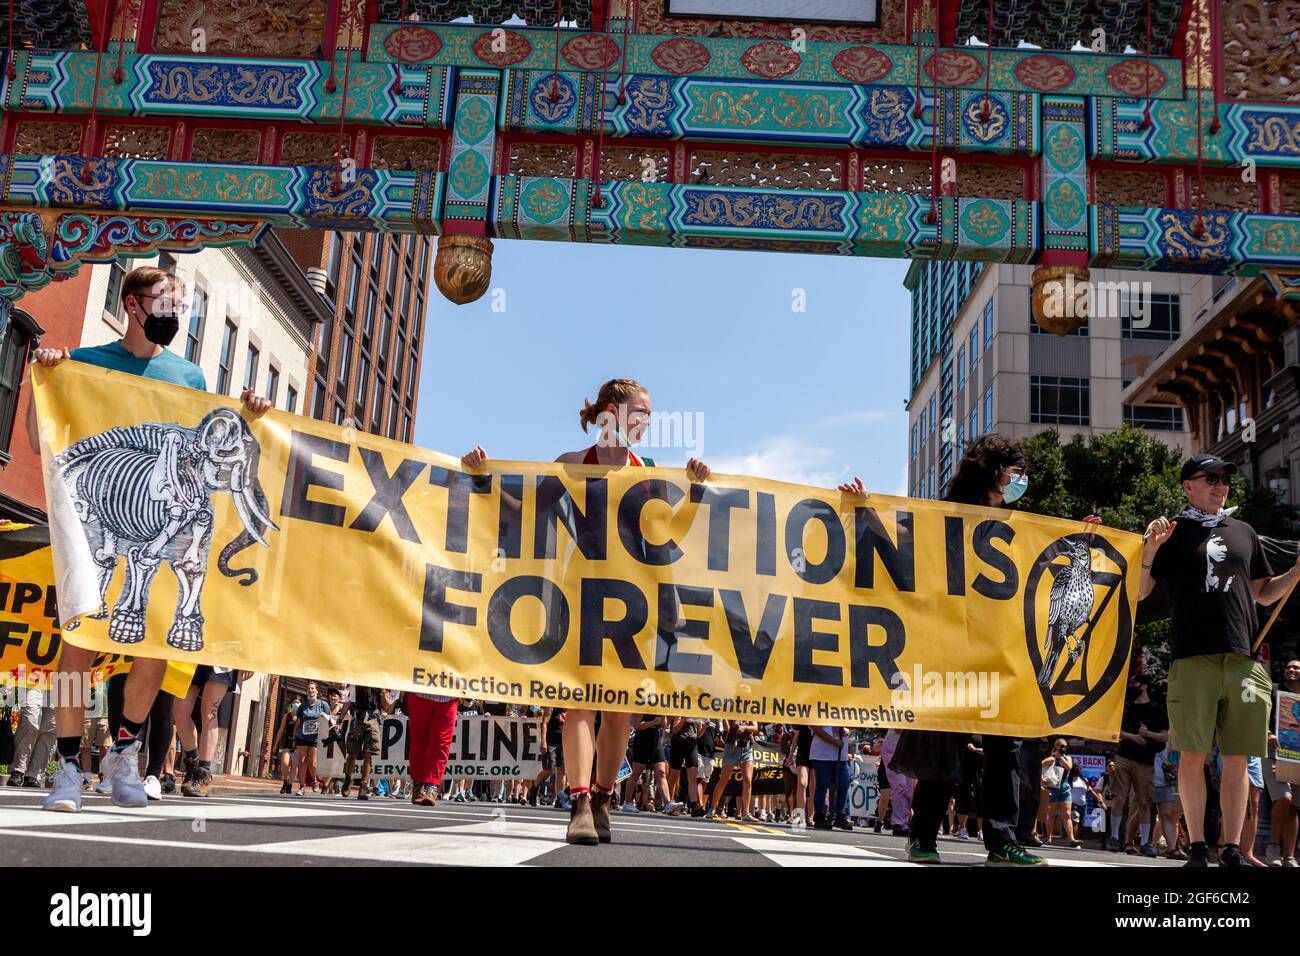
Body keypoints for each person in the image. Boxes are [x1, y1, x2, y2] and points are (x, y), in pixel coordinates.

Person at [35, 266, 271, 814]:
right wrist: (45, 378)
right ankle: (67, 765)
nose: (173, 311)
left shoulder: (188, 378)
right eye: (163, 301)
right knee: (78, 648)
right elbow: (45, 433)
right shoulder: (86, 363)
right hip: (101, 512)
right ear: (133, 305)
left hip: (164, 520)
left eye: (178, 301)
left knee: (155, 645)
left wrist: (251, 415)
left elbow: (214, 439)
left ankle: (124, 752)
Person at [463, 377, 710, 845]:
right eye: (639, 412)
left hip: (633, 600)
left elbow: (671, 535)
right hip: (580, 595)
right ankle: (578, 802)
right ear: (609, 414)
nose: (646, 422)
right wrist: (483, 480)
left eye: (649, 415)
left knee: (617, 711)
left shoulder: (650, 470)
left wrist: (695, 492)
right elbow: (528, 514)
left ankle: (601, 797)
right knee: (578, 702)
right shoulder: (573, 464)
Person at [1140, 453, 1295, 867]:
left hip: (1243, 658)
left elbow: (1263, 593)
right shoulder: (1171, 533)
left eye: (1224, 479)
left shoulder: (1245, 531)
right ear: (1188, 485)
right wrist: (1150, 551)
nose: (1220, 485)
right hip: (1192, 659)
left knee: (1238, 757)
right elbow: (1139, 594)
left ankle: (1230, 846)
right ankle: (1195, 847)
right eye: (1210, 478)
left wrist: (1296, 572)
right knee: (1191, 755)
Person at [1106, 674, 1167, 855]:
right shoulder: (1127, 707)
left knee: (1144, 802)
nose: (1132, 686)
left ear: (1145, 686)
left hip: (1145, 761)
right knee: (1119, 797)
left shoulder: (1157, 709)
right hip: (1124, 757)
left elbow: (1166, 736)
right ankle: (1115, 838)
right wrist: (1132, 736)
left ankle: (1145, 843)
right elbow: (1115, 731)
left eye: (1135, 684)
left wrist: (1148, 734)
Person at [173, 666, 247, 798]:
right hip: (194, 651)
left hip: (222, 655)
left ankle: (203, 773)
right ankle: (192, 764)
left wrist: (249, 660)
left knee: (209, 712)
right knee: (180, 711)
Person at [1264, 658, 1299, 866]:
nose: (1291, 670)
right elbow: (1260, 715)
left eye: (1296, 667)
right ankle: (1273, 847)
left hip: (1297, 755)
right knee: (1284, 798)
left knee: (1294, 806)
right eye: (1288, 667)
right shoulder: (1274, 690)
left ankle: (1289, 856)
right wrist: (1268, 732)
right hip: (1273, 753)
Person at [406, 691, 458, 807]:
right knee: (418, 742)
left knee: (442, 744)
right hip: (420, 693)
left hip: (449, 697)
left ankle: (432, 788)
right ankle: (418, 785)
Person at [340, 684, 389, 800]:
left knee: (369, 753)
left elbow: (386, 705)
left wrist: (382, 690)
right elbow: (348, 701)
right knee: (352, 754)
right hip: (357, 718)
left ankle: (363, 785)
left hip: (373, 719)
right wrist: (340, 719)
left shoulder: (379, 683)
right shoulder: (357, 681)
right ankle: (348, 778)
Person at [624, 714, 678, 813]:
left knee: (661, 772)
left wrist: (667, 717)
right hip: (642, 739)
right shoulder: (643, 705)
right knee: (637, 772)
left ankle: (667, 803)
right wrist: (653, 722)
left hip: (655, 739)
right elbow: (636, 725)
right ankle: (627, 802)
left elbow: (664, 726)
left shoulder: (660, 706)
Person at [706, 719, 758, 821]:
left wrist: (745, 727)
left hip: (747, 748)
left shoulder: (751, 710)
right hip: (732, 747)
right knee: (724, 779)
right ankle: (712, 809)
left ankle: (746, 812)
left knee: (747, 780)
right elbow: (727, 728)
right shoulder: (732, 710)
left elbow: (755, 728)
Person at [810, 725, 852, 831]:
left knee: (844, 784)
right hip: (822, 755)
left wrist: (846, 729)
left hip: (840, 756)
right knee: (822, 786)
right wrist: (834, 741)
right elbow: (815, 728)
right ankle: (819, 817)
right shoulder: (819, 709)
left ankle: (839, 815)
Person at [292, 682, 332, 795]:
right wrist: (294, 737)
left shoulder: (323, 705)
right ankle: (301, 787)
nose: (310, 690)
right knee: (302, 762)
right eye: (308, 688)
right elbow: (298, 722)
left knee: (312, 763)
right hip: (303, 737)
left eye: (313, 688)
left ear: (317, 691)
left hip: (316, 738)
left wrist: (325, 717)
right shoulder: (302, 706)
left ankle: (314, 780)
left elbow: (330, 720)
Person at [1039, 738, 1079, 848]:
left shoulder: (1067, 758)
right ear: (1056, 746)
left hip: (1065, 787)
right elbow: (1039, 766)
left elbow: (1069, 767)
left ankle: (1072, 839)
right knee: (1050, 815)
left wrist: (1060, 756)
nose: (1063, 748)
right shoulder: (1051, 759)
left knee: (1067, 814)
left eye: (1065, 746)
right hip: (1053, 788)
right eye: (1061, 746)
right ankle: (1049, 838)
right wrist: (1041, 778)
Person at [667, 716, 703, 817]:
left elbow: (698, 734)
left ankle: (694, 806)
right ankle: (669, 802)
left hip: (692, 743)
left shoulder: (696, 711)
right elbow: (674, 729)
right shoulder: (680, 710)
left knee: (692, 777)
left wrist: (705, 726)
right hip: (678, 741)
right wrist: (684, 719)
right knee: (674, 775)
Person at [1153, 747, 1185, 860]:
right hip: (1165, 779)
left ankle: (1172, 847)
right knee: (1165, 816)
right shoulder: (1165, 740)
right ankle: (1152, 845)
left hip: (1179, 781)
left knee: (1175, 819)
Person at [273, 695, 301, 794]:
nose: (296, 704)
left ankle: (289, 785)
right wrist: (276, 744)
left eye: (298, 702)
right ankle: (285, 781)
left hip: (298, 744)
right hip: (287, 743)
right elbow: (281, 730)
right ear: (291, 704)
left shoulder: (302, 716)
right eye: (294, 702)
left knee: (294, 766)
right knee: (284, 763)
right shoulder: (287, 716)